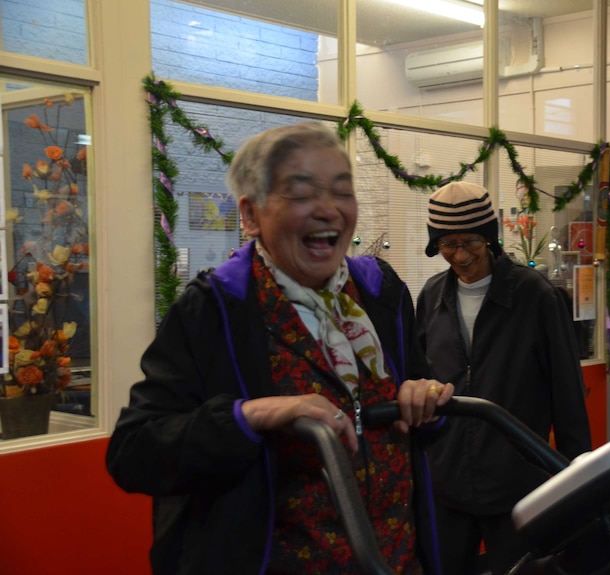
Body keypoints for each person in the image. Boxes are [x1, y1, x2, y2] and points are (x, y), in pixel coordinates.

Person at [106, 122, 454, 575]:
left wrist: (424, 399)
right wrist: (253, 415)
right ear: (250, 215)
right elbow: (135, 451)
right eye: (301, 192)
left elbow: (414, 412)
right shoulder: (216, 308)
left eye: (341, 191)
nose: (328, 210)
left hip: (397, 562)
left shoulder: (380, 292)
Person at [416, 181, 592, 575]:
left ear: (490, 238)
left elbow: (567, 396)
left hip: (518, 485)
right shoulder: (431, 297)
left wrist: (577, 485)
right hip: (447, 485)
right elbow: (419, 380)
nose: (460, 256)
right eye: (448, 245)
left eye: (471, 243)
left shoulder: (536, 297)